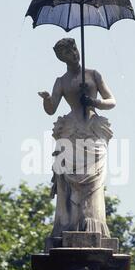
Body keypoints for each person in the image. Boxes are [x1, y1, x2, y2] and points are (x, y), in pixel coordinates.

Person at [38, 38, 116, 237]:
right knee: (67, 180)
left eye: (74, 49)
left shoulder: (93, 74)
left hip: (92, 130)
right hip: (71, 130)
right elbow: (51, 108)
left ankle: (92, 222)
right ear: (61, 58)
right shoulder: (61, 81)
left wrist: (93, 101)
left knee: (94, 180)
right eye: (67, 53)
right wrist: (47, 99)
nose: (73, 54)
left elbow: (111, 101)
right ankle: (69, 223)